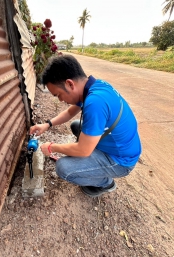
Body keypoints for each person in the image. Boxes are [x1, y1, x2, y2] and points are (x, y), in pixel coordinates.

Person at [30, 55, 142, 197]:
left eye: (58, 94)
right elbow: (71, 111)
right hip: (124, 146)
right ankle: (96, 167)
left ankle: (105, 183)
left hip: (121, 161)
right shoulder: (94, 86)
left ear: (70, 84)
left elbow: (83, 150)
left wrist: (51, 147)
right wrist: (47, 124)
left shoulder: (95, 103)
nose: (61, 100)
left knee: (64, 168)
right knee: (77, 125)